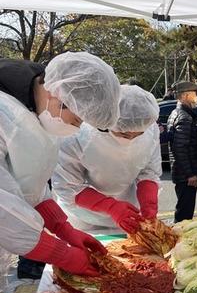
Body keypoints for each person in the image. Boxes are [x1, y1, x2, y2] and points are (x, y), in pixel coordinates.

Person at [0, 53, 121, 293]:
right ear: (58, 95)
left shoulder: (32, 110)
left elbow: (26, 181)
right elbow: (3, 207)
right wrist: (60, 252)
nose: (76, 128)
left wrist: (62, 226)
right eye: (77, 119)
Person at [52, 85, 161, 233]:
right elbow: (67, 187)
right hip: (83, 216)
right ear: (107, 122)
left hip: (128, 211)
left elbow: (149, 172)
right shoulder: (76, 133)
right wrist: (111, 207)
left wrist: (149, 206)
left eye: (138, 134)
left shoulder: (148, 126)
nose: (131, 139)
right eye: (124, 134)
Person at [169, 81, 197, 222]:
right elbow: (180, 148)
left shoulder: (178, 113)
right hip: (185, 175)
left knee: (184, 210)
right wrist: (190, 174)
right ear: (185, 96)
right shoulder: (184, 116)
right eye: (195, 94)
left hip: (182, 173)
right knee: (184, 214)